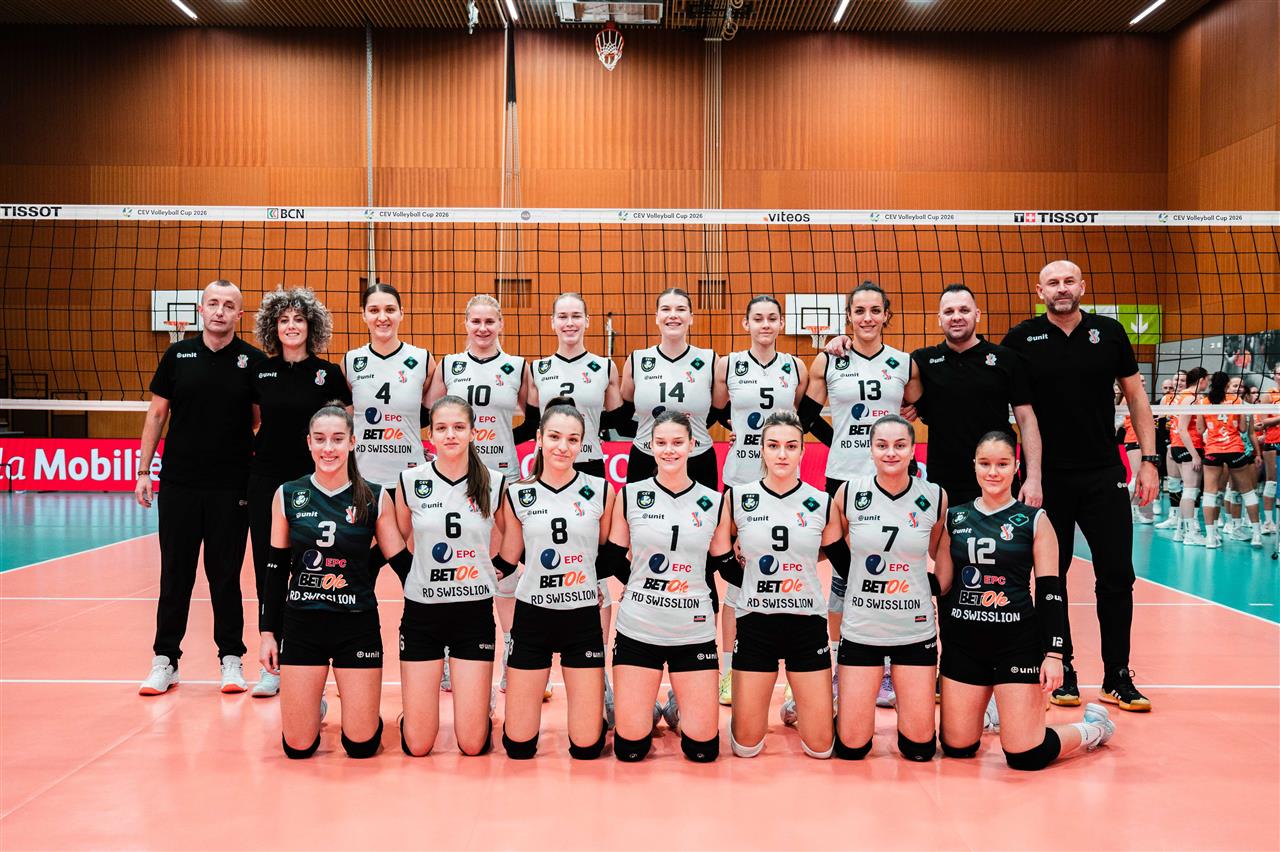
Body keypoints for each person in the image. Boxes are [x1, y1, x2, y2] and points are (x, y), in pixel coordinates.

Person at [1001, 260, 1155, 712]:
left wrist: (1149, 461)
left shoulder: (1109, 332)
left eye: (1069, 281)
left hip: (1103, 472)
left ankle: (1117, 675)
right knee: (1052, 574)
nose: (1062, 288)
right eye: (1053, 282)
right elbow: (984, 379)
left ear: (1082, 287)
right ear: (1040, 291)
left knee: (1117, 575)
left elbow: (1136, 397)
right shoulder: (1021, 338)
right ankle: (1062, 668)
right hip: (1046, 479)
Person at [932, 431, 1117, 770]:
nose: (993, 472)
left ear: (1016, 467)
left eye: (1002, 464)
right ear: (974, 466)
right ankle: (992, 710)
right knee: (957, 748)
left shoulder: (1034, 520)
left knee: (1025, 755)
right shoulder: (954, 518)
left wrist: (1054, 654)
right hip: (964, 645)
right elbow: (941, 584)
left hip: (1015, 645)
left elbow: (1050, 592)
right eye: (985, 463)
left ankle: (1092, 728)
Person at [136, 280, 265, 696]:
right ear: (201, 309)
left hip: (232, 486)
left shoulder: (252, 360)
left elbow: (259, 420)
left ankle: (231, 659)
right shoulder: (177, 355)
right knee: (175, 575)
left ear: (239, 314)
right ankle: (165, 660)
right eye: (213, 303)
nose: (220, 311)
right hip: (180, 484)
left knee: (225, 576)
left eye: (228, 305)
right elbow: (157, 415)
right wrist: (143, 471)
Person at [257, 404, 406, 759]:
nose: (329, 448)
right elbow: (275, 568)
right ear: (309, 443)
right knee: (297, 747)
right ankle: (315, 706)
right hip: (302, 624)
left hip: (356, 625)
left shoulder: (373, 496)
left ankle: (365, 715)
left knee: (361, 746)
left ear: (352, 442)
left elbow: (401, 563)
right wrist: (267, 633)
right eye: (320, 439)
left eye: (338, 439)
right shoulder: (288, 495)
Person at [804, 281, 922, 709]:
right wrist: (840, 439)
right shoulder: (829, 359)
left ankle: (888, 665)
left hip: (894, 479)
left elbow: (921, 404)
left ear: (886, 315)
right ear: (849, 316)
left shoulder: (904, 364)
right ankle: (843, 663)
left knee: (889, 571)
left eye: (875, 310)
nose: (867, 318)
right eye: (859, 311)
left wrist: (911, 417)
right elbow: (805, 415)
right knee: (844, 573)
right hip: (843, 479)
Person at [709, 411, 846, 760]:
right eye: (773, 446)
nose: (782, 454)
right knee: (746, 746)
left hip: (807, 623)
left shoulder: (821, 502)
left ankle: (800, 703)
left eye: (790, 446)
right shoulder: (738, 498)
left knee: (821, 748)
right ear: (761, 450)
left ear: (802, 451)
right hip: (755, 623)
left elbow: (841, 560)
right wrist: (752, 581)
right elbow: (720, 556)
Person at [526, 292, 629, 710]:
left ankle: (597, 668)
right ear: (552, 322)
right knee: (543, 563)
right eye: (562, 316)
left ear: (587, 321)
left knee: (595, 572)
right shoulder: (537, 368)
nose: (569, 323)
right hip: (547, 469)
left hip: (590, 471)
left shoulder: (604, 367)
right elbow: (531, 424)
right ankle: (531, 663)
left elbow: (620, 420)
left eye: (576, 316)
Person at [496, 401, 616, 759]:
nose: (563, 447)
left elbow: (604, 555)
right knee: (518, 746)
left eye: (573, 439)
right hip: (533, 616)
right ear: (539, 438)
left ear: (582, 444)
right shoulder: (517, 494)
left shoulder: (601, 490)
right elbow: (508, 559)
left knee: (587, 748)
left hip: (582, 618)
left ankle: (608, 707)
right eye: (554, 437)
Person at [430, 294, 536, 696]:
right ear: (465, 324)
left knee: (503, 567)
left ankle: (511, 654)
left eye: (490, 321)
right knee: (454, 565)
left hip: (502, 477)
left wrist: (503, 441)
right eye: (476, 321)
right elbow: (432, 415)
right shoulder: (449, 365)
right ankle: (448, 654)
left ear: (501, 324)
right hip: (455, 477)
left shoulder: (517, 367)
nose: (483, 328)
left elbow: (533, 418)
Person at [601, 411, 722, 762]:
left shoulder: (714, 501)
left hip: (692, 631)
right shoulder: (629, 495)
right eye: (662, 443)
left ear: (692, 445)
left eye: (677, 443)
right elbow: (612, 558)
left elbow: (720, 562)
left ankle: (675, 703)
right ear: (650, 446)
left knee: (703, 750)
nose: (669, 450)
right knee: (630, 749)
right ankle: (646, 706)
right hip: (639, 628)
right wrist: (642, 584)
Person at [247, 286, 349, 698]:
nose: (291, 326)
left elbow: (342, 429)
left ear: (311, 326)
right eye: (284, 320)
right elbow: (252, 421)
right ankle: (272, 662)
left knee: (314, 569)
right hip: (267, 481)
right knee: (268, 568)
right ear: (273, 327)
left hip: (314, 484)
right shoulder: (260, 372)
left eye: (299, 319)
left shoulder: (328, 373)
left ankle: (313, 664)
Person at [710, 294, 810, 707]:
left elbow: (796, 417)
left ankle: (793, 673)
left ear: (781, 323)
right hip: (740, 479)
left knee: (787, 573)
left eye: (772, 318)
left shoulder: (796, 366)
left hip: (784, 479)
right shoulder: (729, 364)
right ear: (746, 323)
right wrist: (736, 429)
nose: (765, 324)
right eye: (758, 318)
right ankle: (730, 671)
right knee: (738, 576)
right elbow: (715, 410)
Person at [394, 396, 508, 757]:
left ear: (473, 432)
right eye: (441, 428)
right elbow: (396, 536)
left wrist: (499, 568)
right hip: (422, 613)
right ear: (430, 435)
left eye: (459, 427)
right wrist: (412, 573)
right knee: (418, 745)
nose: (450, 435)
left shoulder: (493, 482)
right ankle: (412, 716)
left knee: (472, 745)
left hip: (472, 614)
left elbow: (513, 535)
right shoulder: (411, 480)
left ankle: (480, 708)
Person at [831, 415, 945, 761]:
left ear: (912, 450)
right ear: (871, 450)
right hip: (862, 628)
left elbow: (940, 553)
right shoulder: (849, 493)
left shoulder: (934, 496)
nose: (891, 453)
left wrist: (931, 588)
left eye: (900, 445)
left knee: (920, 749)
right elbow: (831, 543)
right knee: (852, 747)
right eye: (882, 445)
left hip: (914, 629)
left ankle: (910, 708)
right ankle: (820, 707)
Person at [906, 284, 1043, 508]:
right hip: (944, 481)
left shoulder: (1005, 359)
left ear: (977, 315)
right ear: (939, 319)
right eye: (949, 312)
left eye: (964, 310)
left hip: (997, 477)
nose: (956, 317)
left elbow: (1027, 420)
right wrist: (847, 343)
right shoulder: (922, 361)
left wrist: (1034, 478)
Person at [621, 287, 721, 489]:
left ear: (691, 317)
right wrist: (650, 433)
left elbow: (718, 411)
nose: (673, 315)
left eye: (681, 309)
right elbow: (622, 416)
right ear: (656, 317)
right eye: (666, 309)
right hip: (646, 457)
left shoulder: (710, 360)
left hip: (697, 457)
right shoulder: (637, 360)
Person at [344, 282, 436, 495]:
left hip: (410, 476)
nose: (382, 317)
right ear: (363, 315)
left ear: (401, 313)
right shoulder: (350, 362)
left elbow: (429, 412)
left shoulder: (422, 359)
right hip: (363, 478)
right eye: (374, 310)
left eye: (390, 309)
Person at [1195, 372, 1264, 549]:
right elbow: (1243, 429)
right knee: (1248, 492)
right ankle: (1257, 535)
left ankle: (1211, 538)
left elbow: (1200, 430)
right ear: (1227, 385)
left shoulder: (1203, 402)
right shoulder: (1237, 401)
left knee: (1210, 493)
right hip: (1235, 450)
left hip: (1213, 451)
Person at [1168, 367, 1209, 545]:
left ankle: (1180, 531)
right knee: (1191, 491)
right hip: (1188, 446)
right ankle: (1191, 533)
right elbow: (1182, 429)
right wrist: (1195, 455)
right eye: (1207, 379)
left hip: (1180, 446)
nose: (1208, 383)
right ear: (1202, 380)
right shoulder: (1190, 398)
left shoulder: (1182, 396)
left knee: (1188, 490)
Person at [1154, 371, 1187, 532]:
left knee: (1190, 485)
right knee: (1173, 482)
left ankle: (1189, 519)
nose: (1179, 382)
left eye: (1182, 380)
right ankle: (1174, 517)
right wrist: (1167, 443)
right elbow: (1160, 423)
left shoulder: (1192, 398)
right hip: (1170, 444)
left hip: (1189, 445)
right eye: (1176, 379)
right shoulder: (1166, 399)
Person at [1121, 374, 1157, 524]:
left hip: (1140, 439)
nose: (1142, 382)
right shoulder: (1127, 398)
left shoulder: (1143, 396)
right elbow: (1120, 420)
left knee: (1137, 479)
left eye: (1143, 380)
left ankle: (1134, 511)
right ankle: (1126, 508)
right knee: (1135, 478)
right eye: (1139, 380)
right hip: (1133, 439)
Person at [1260, 364, 1280, 535]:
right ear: (1274, 376)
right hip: (1273, 442)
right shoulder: (1268, 395)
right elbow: (1263, 422)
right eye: (1279, 374)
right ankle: (1267, 521)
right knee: (1272, 481)